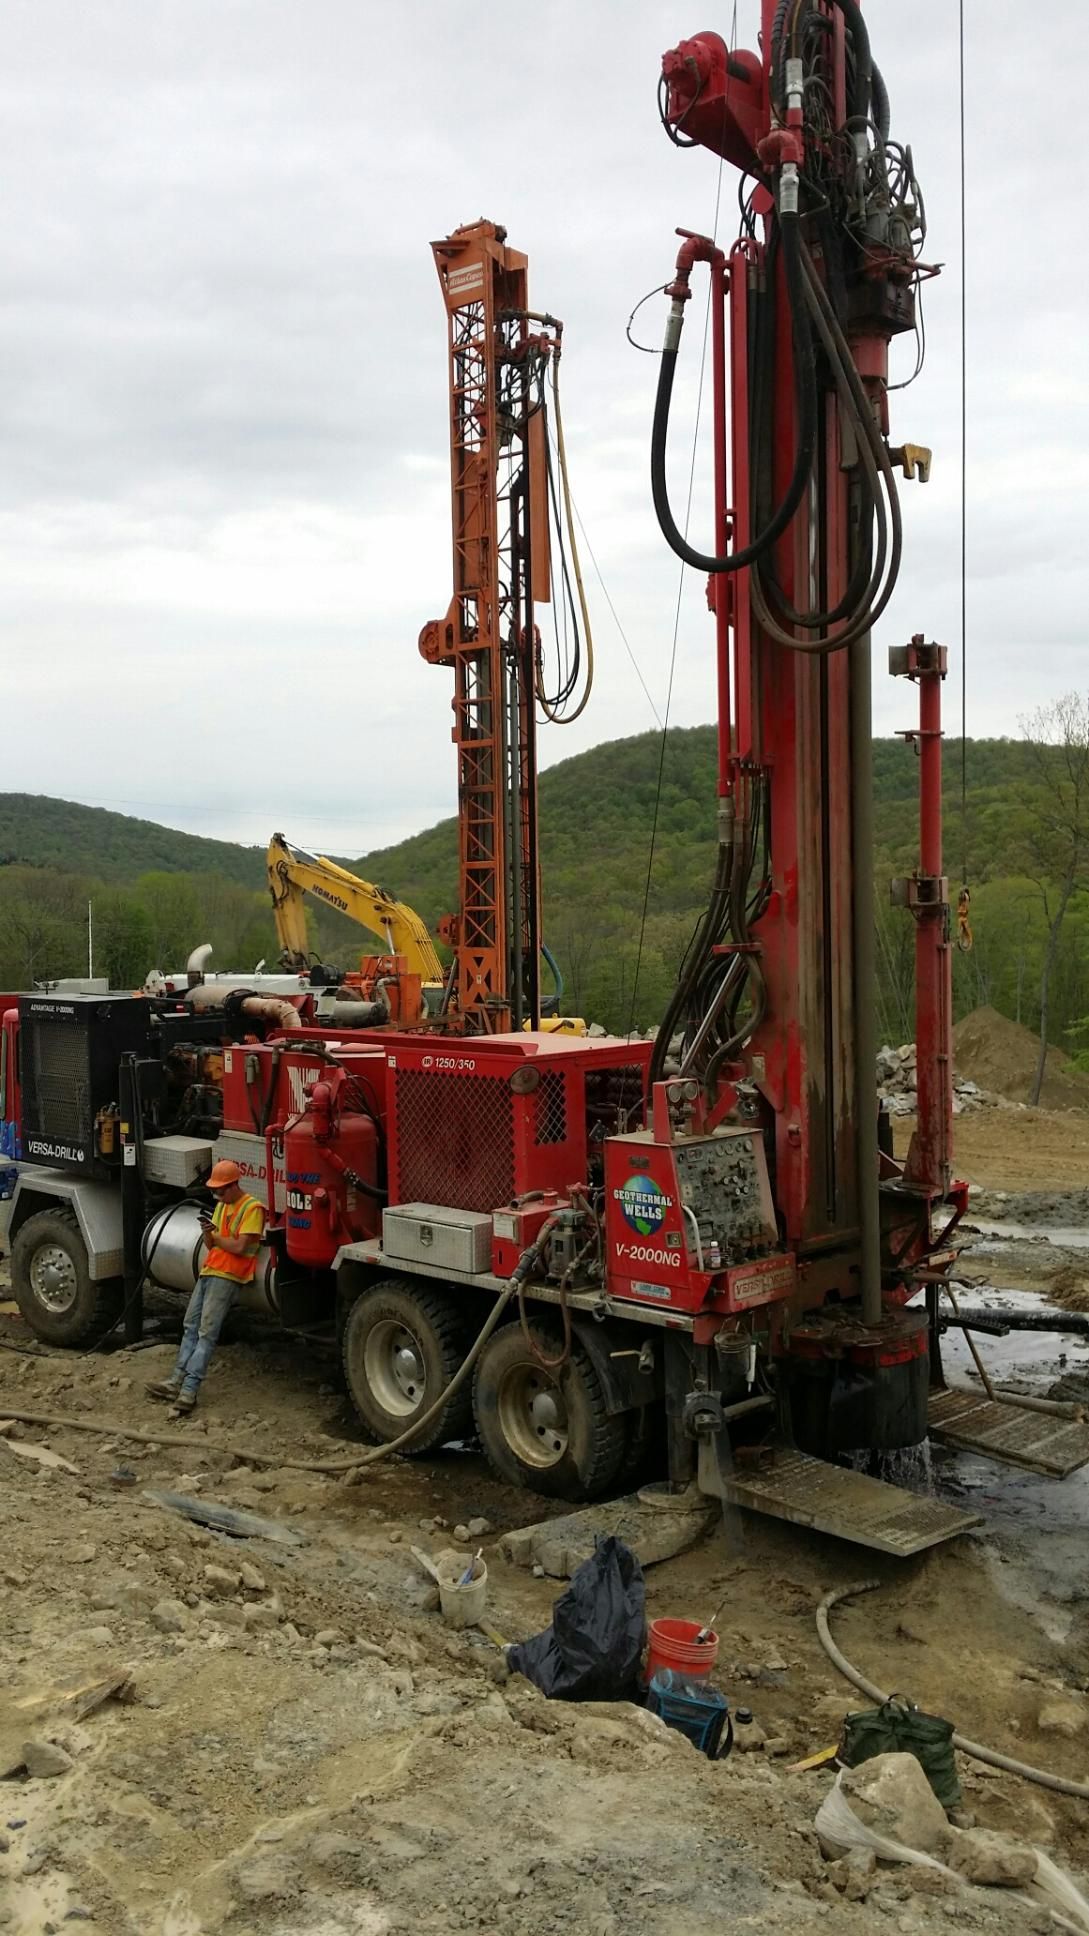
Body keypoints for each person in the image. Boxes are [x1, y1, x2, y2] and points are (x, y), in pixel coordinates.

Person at [147, 1159, 264, 1413]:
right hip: (210, 1270)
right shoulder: (222, 1206)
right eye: (214, 1191)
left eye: (221, 1190)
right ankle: (176, 1381)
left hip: (228, 1276)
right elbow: (214, 1246)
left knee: (206, 1334)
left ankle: (189, 1390)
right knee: (190, 1326)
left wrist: (216, 1236)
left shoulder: (252, 1208)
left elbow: (239, 1246)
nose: (217, 1195)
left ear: (234, 1185)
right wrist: (208, 1233)